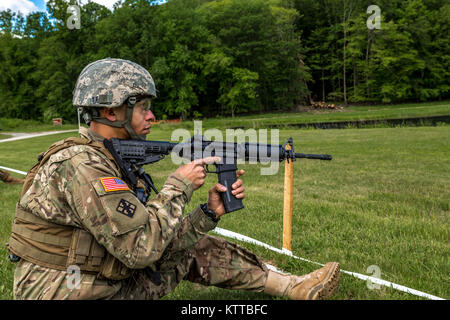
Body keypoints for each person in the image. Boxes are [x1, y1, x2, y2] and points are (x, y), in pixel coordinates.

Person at [8, 58, 340, 300]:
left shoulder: (109, 156)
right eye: (142, 108)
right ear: (111, 112)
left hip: (96, 279)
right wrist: (178, 184)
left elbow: (154, 238)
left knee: (199, 247)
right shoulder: (82, 164)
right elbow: (140, 250)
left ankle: (292, 287)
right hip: (64, 292)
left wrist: (207, 214)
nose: (152, 115)